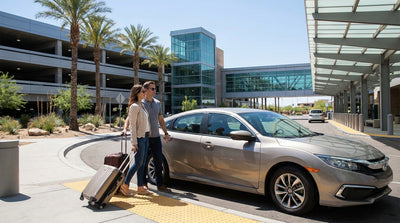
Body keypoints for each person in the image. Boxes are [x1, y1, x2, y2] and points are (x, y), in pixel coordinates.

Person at [120, 84, 151, 197]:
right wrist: (134, 143)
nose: (145, 93)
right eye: (143, 91)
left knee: (142, 164)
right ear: (137, 93)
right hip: (139, 138)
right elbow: (132, 126)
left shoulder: (141, 105)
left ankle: (140, 187)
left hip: (145, 136)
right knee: (138, 163)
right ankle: (125, 185)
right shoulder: (134, 107)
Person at [142, 81, 172, 193]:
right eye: (152, 89)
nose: (155, 91)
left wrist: (166, 133)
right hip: (144, 137)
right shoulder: (141, 103)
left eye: (155, 89)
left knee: (158, 160)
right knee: (143, 161)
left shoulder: (158, 103)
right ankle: (143, 184)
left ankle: (160, 185)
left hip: (155, 137)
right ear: (145, 90)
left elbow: (160, 119)